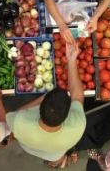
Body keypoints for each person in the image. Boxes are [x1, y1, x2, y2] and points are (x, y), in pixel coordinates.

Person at [6, 41, 86, 169]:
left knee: (44, 152)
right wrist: (71, 60)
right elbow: (77, 95)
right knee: (54, 156)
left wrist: (42, 98)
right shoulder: (78, 126)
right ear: (67, 115)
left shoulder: (19, 123)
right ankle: (55, 162)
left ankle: (55, 161)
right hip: (55, 152)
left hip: (30, 147)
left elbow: (17, 113)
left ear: (40, 107)